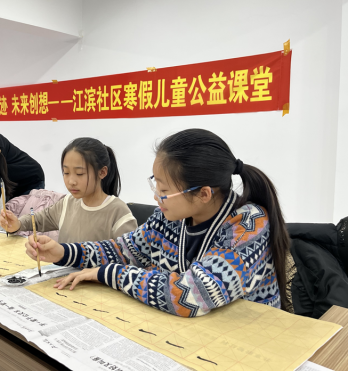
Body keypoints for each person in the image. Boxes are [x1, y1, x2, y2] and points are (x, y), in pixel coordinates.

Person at [26, 129, 290, 317]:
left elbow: (189, 296)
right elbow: (123, 250)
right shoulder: (169, 217)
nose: (156, 196)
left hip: (248, 341)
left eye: (163, 189)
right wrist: (64, 253)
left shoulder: (248, 224)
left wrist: (109, 273)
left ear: (203, 194)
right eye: (155, 184)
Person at [1, 137, 137, 242]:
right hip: (64, 272)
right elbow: (38, 220)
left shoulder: (118, 212)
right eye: (66, 172)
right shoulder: (67, 203)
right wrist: (17, 224)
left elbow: (130, 257)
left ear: (102, 172)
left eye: (79, 173)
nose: (71, 181)